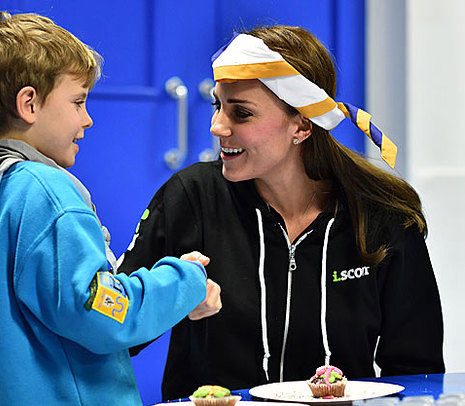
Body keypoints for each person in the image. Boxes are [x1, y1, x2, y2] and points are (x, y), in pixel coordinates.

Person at [118, 25, 445, 400]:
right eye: (217, 105)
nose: (216, 126)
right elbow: (112, 328)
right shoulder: (191, 198)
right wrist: (168, 294)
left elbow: (418, 374)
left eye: (241, 113)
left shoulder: (383, 216)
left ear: (302, 126)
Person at [0, 11, 209, 406]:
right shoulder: (47, 192)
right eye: (78, 102)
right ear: (29, 103)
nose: (88, 119)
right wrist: (186, 281)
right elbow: (100, 311)